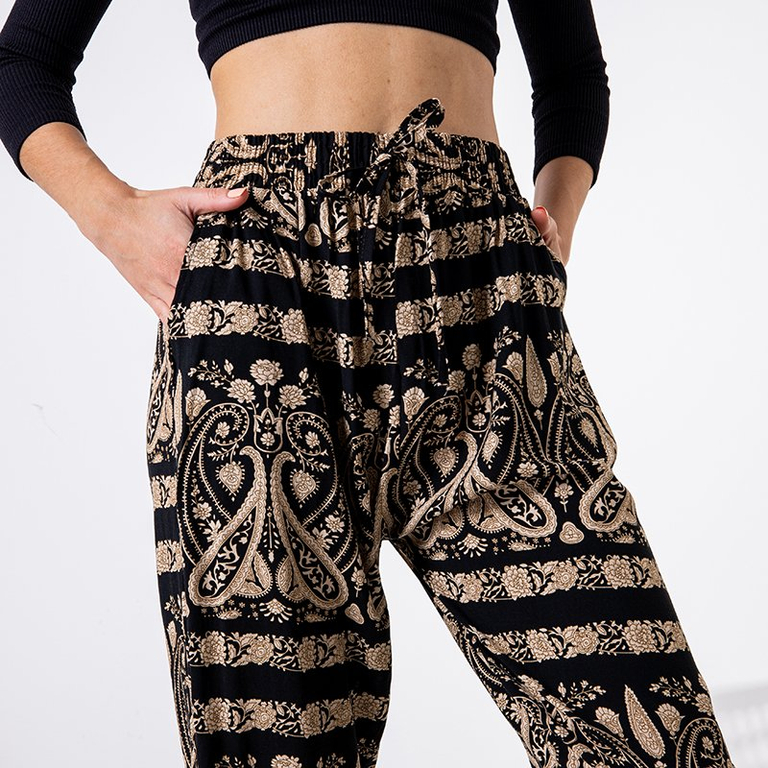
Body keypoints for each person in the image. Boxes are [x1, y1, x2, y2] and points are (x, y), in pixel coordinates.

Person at [0, 2, 737, 768]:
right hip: (262, 307)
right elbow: (22, 61)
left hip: (486, 307)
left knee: (650, 734)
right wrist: (112, 215)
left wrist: (554, 228)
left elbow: (572, 75)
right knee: (275, 744)